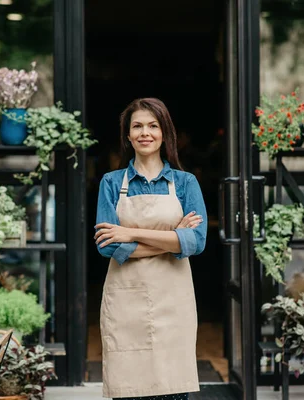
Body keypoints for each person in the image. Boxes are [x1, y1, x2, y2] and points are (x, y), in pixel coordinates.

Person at [94, 98, 208, 400]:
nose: (145, 132)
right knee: (129, 389)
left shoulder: (185, 184)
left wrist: (130, 232)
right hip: (126, 303)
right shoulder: (111, 183)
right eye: (138, 126)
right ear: (128, 136)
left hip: (174, 303)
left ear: (164, 133)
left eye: (153, 126)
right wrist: (173, 239)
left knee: (172, 390)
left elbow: (196, 242)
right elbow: (109, 247)